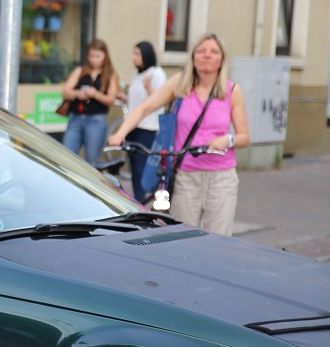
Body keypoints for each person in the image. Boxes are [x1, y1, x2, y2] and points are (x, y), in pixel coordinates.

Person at [109, 33, 250, 235]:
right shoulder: (180, 84)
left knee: (219, 240)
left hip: (221, 178)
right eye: (201, 51)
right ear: (193, 57)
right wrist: (120, 134)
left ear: (222, 59)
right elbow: (144, 108)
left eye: (213, 51)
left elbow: (245, 136)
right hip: (186, 175)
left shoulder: (232, 90)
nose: (207, 55)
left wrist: (227, 139)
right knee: (184, 236)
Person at [120, 40, 168, 202]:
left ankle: (154, 201)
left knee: (144, 168)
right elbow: (136, 103)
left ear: (146, 55)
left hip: (147, 128)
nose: (134, 57)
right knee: (134, 167)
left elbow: (158, 100)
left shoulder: (156, 73)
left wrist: (148, 87)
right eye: (133, 53)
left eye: (137, 54)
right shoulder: (137, 74)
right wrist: (123, 98)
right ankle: (138, 200)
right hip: (133, 127)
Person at [61, 38, 119, 167]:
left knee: (92, 161)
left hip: (96, 121)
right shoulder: (80, 71)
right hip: (76, 118)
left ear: (105, 56)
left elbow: (110, 100)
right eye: (92, 56)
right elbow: (65, 92)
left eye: (98, 56)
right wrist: (78, 94)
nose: (94, 59)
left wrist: (96, 94)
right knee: (66, 156)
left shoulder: (110, 75)